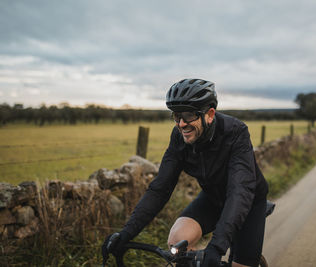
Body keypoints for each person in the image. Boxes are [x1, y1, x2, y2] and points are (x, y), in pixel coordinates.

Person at [102, 78, 269, 267]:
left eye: (189, 115)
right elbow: (160, 189)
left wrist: (215, 248)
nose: (181, 124)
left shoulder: (236, 133)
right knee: (177, 243)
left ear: (210, 114)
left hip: (248, 202)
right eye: (176, 116)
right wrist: (125, 234)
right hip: (212, 198)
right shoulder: (179, 137)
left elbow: (240, 192)